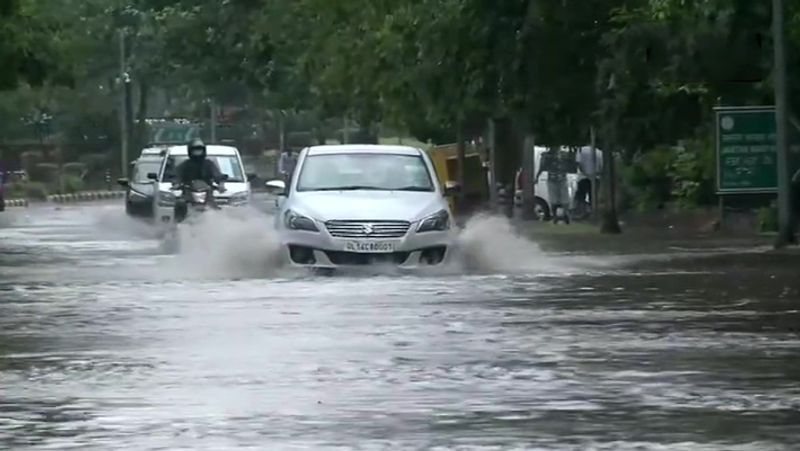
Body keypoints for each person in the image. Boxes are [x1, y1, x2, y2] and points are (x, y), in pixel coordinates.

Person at [535, 147, 570, 224]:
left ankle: (565, 215)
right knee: (554, 200)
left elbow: (569, 165)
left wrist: (537, 176)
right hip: (553, 179)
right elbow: (542, 167)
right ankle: (555, 216)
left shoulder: (563, 155)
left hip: (561, 179)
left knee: (564, 200)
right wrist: (537, 177)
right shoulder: (546, 156)